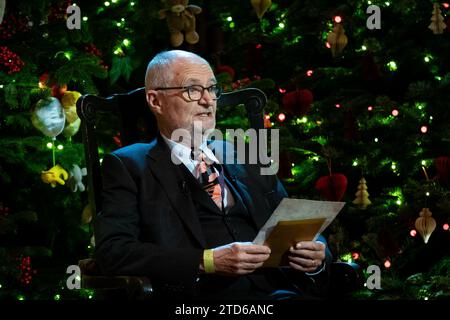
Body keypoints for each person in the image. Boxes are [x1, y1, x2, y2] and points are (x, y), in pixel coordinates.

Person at [94, 50, 331, 299]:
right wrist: (208, 261)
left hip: (282, 289)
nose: (208, 100)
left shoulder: (247, 155)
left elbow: (295, 223)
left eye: (212, 89)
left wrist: (317, 251)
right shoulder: (129, 165)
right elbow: (114, 251)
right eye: (193, 90)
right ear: (156, 101)